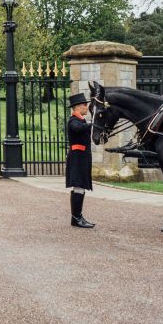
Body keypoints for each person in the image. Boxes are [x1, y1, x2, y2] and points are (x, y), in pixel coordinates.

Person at [66, 92, 95, 228]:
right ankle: (76, 218)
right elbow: (77, 128)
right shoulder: (73, 120)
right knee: (78, 185)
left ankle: (77, 216)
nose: (86, 107)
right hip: (77, 159)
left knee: (81, 186)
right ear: (77, 107)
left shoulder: (81, 120)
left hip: (82, 158)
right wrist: (93, 124)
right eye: (85, 105)